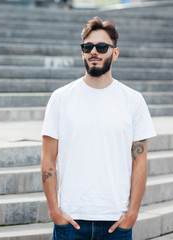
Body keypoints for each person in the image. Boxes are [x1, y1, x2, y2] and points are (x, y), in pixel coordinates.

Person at [41, 16, 156, 240]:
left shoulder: (134, 100)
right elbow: (47, 159)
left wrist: (132, 213)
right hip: (70, 222)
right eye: (88, 46)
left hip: (116, 222)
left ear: (115, 53)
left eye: (102, 47)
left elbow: (139, 160)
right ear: (82, 52)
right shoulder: (60, 99)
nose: (94, 51)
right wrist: (55, 211)